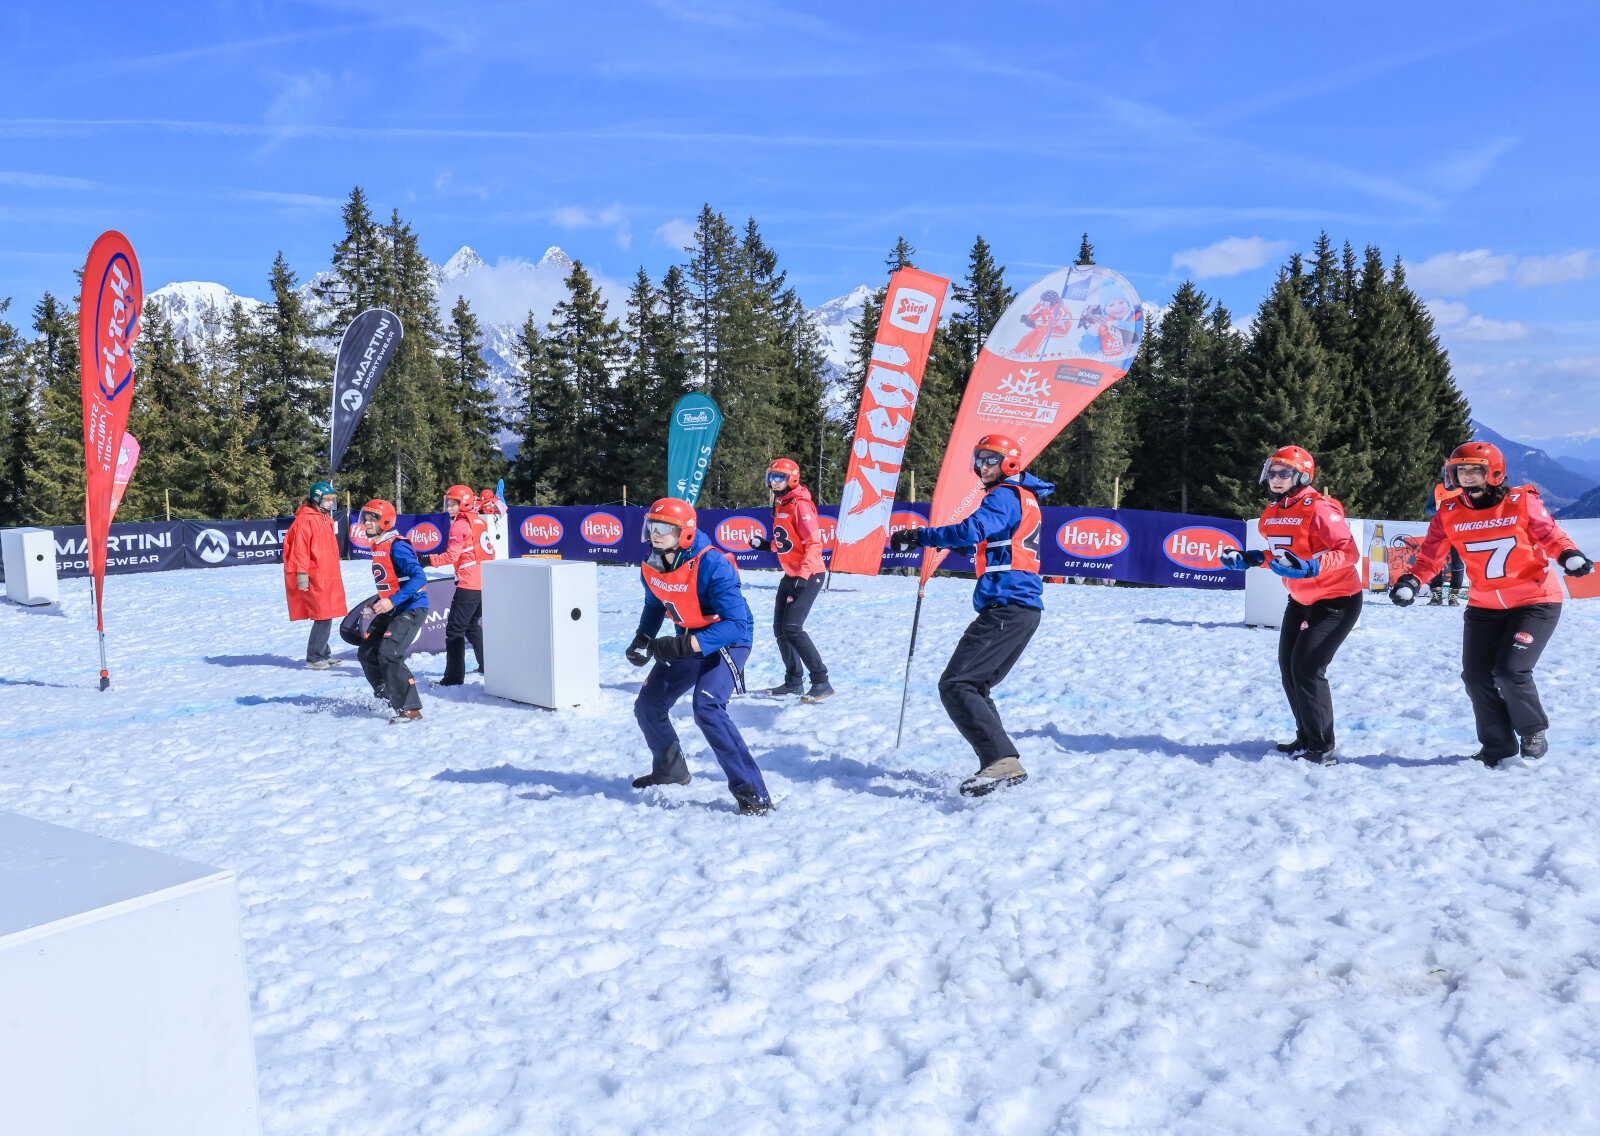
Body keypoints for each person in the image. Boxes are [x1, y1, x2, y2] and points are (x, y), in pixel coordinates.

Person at [1391, 441, 1592, 766]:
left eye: (1475, 469)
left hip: (1534, 601)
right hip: (1485, 606)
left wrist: (1569, 555)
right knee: (1476, 676)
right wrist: (1412, 581)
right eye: (1461, 469)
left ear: (1494, 472)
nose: (1467, 475)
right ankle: (1497, 747)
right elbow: (1430, 555)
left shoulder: (1521, 502)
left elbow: (1550, 535)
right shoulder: (1449, 512)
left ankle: (1532, 730)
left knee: (1510, 671)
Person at [889, 434, 1053, 797]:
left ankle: (1001, 760)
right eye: (979, 460)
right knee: (974, 685)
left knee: (956, 684)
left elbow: (971, 529)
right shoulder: (1020, 497)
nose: (983, 467)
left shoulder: (1005, 495)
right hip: (1018, 608)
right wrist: (926, 541)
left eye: (991, 460)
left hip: (1007, 607)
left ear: (1009, 462)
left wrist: (921, 535)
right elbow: (975, 540)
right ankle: (1001, 763)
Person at [627, 497, 774, 815]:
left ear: (686, 532)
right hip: (689, 637)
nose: (656, 533)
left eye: (665, 527)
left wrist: (682, 646)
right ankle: (671, 770)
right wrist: (644, 637)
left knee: (706, 706)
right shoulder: (651, 563)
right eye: (653, 525)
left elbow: (735, 625)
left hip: (729, 640)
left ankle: (753, 793)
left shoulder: (713, 564)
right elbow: (655, 604)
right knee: (648, 705)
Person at [1219, 446, 1364, 766]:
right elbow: (1285, 558)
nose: (1275, 478)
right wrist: (1253, 559)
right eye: (1272, 472)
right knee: (1290, 670)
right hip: (1300, 599)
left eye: (1284, 472)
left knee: (1308, 669)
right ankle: (1307, 737)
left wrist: (1313, 566)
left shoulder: (1320, 509)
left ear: (1301, 475)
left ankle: (1324, 749)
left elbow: (1349, 552)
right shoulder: (1272, 513)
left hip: (1337, 600)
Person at [747, 458, 833, 702]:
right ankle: (794, 681)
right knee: (780, 629)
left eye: (779, 477)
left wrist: (804, 576)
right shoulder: (782, 504)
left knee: (793, 628)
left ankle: (821, 681)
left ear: (792, 479)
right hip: (792, 574)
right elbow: (790, 541)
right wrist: (767, 546)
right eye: (771, 477)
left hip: (809, 574)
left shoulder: (800, 505)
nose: (773, 482)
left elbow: (814, 544)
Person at [356, 499, 429, 724]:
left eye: (372, 519)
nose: (367, 523)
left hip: (411, 608)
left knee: (389, 653)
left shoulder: (397, 545)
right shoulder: (378, 544)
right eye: (365, 518)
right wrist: (376, 603)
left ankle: (410, 709)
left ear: (385, 521)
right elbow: (391, 582)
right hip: (392, 607)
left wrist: (392, 601)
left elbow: (419, 578)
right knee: (367, 652)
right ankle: (386, 697)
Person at [282, 480, 348, 669]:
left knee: (327, 613)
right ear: (317, 499)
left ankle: (323, 653)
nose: (330, 503)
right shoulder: (306, 519)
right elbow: (299, 549)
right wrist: (302, 575)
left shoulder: (325, 518)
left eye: (332, 500)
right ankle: (314, 658)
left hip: (328, 573)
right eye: (327, 500)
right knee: (323, 615)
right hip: (315, 575)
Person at [430, 484, 485, 685]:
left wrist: (429, 560)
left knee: (454, 631)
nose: (449, 508)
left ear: (465, 503)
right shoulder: (478, 520)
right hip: (483, 581)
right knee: (471, 625)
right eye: (448, 504)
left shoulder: (460, 524)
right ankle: (486, 665)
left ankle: (453, 678)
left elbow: (452, 556)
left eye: (454, 504)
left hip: (469, 582)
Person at [1425, 481, 1466, 606]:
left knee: (1457, 563)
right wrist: (1436, 509)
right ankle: (1436, 595)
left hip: (1458, 530)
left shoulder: (1464, 488)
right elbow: (1428, 509)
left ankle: (1453, 597)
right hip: (1439, 530)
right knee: (1435, 562)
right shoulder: (1438, 488)